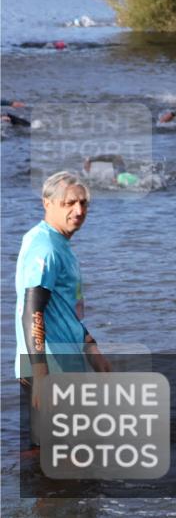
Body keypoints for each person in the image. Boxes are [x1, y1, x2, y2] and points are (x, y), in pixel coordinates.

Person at [15, 172, 111, 446]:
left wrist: (91, 346)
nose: (78, 211)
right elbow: (32, 309)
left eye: (83, 203)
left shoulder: (59, 243)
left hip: (61, 363)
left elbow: (63, 310)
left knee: (55, 457)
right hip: (50, 367)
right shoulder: (45, 247)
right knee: (62, 457)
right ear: (48, 203)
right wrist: (42, 375)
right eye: (69, 203)